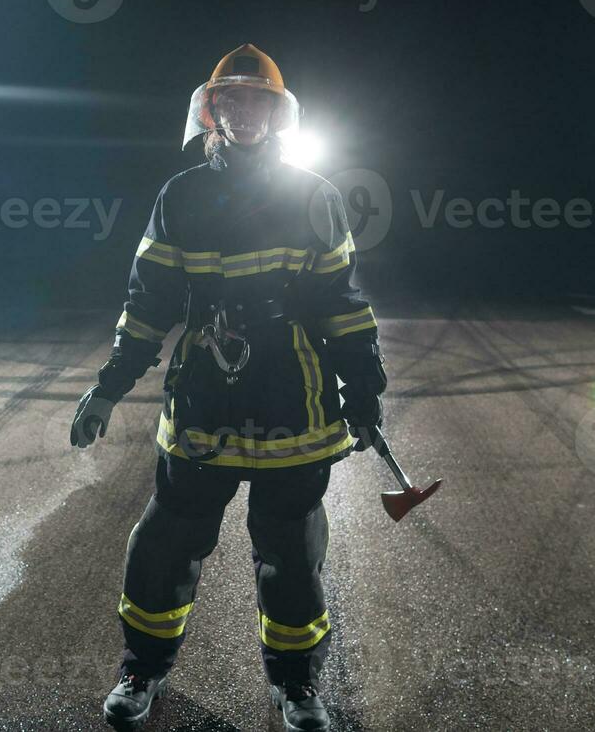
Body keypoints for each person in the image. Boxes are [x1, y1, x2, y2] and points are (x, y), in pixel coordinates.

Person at [70, 44, 388, 732]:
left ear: (277, 114)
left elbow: (340, 300)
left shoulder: (314, 196)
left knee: (293, 557)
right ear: (212, 110)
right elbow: (149, 300)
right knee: (164, 545)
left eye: (258, 101)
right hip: (204, 398)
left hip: (292, 399)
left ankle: (297, 686)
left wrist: (363, 385)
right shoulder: (180, 196)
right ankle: (141, 671)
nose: (244, 112)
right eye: (230, 100)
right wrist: (109, 385)